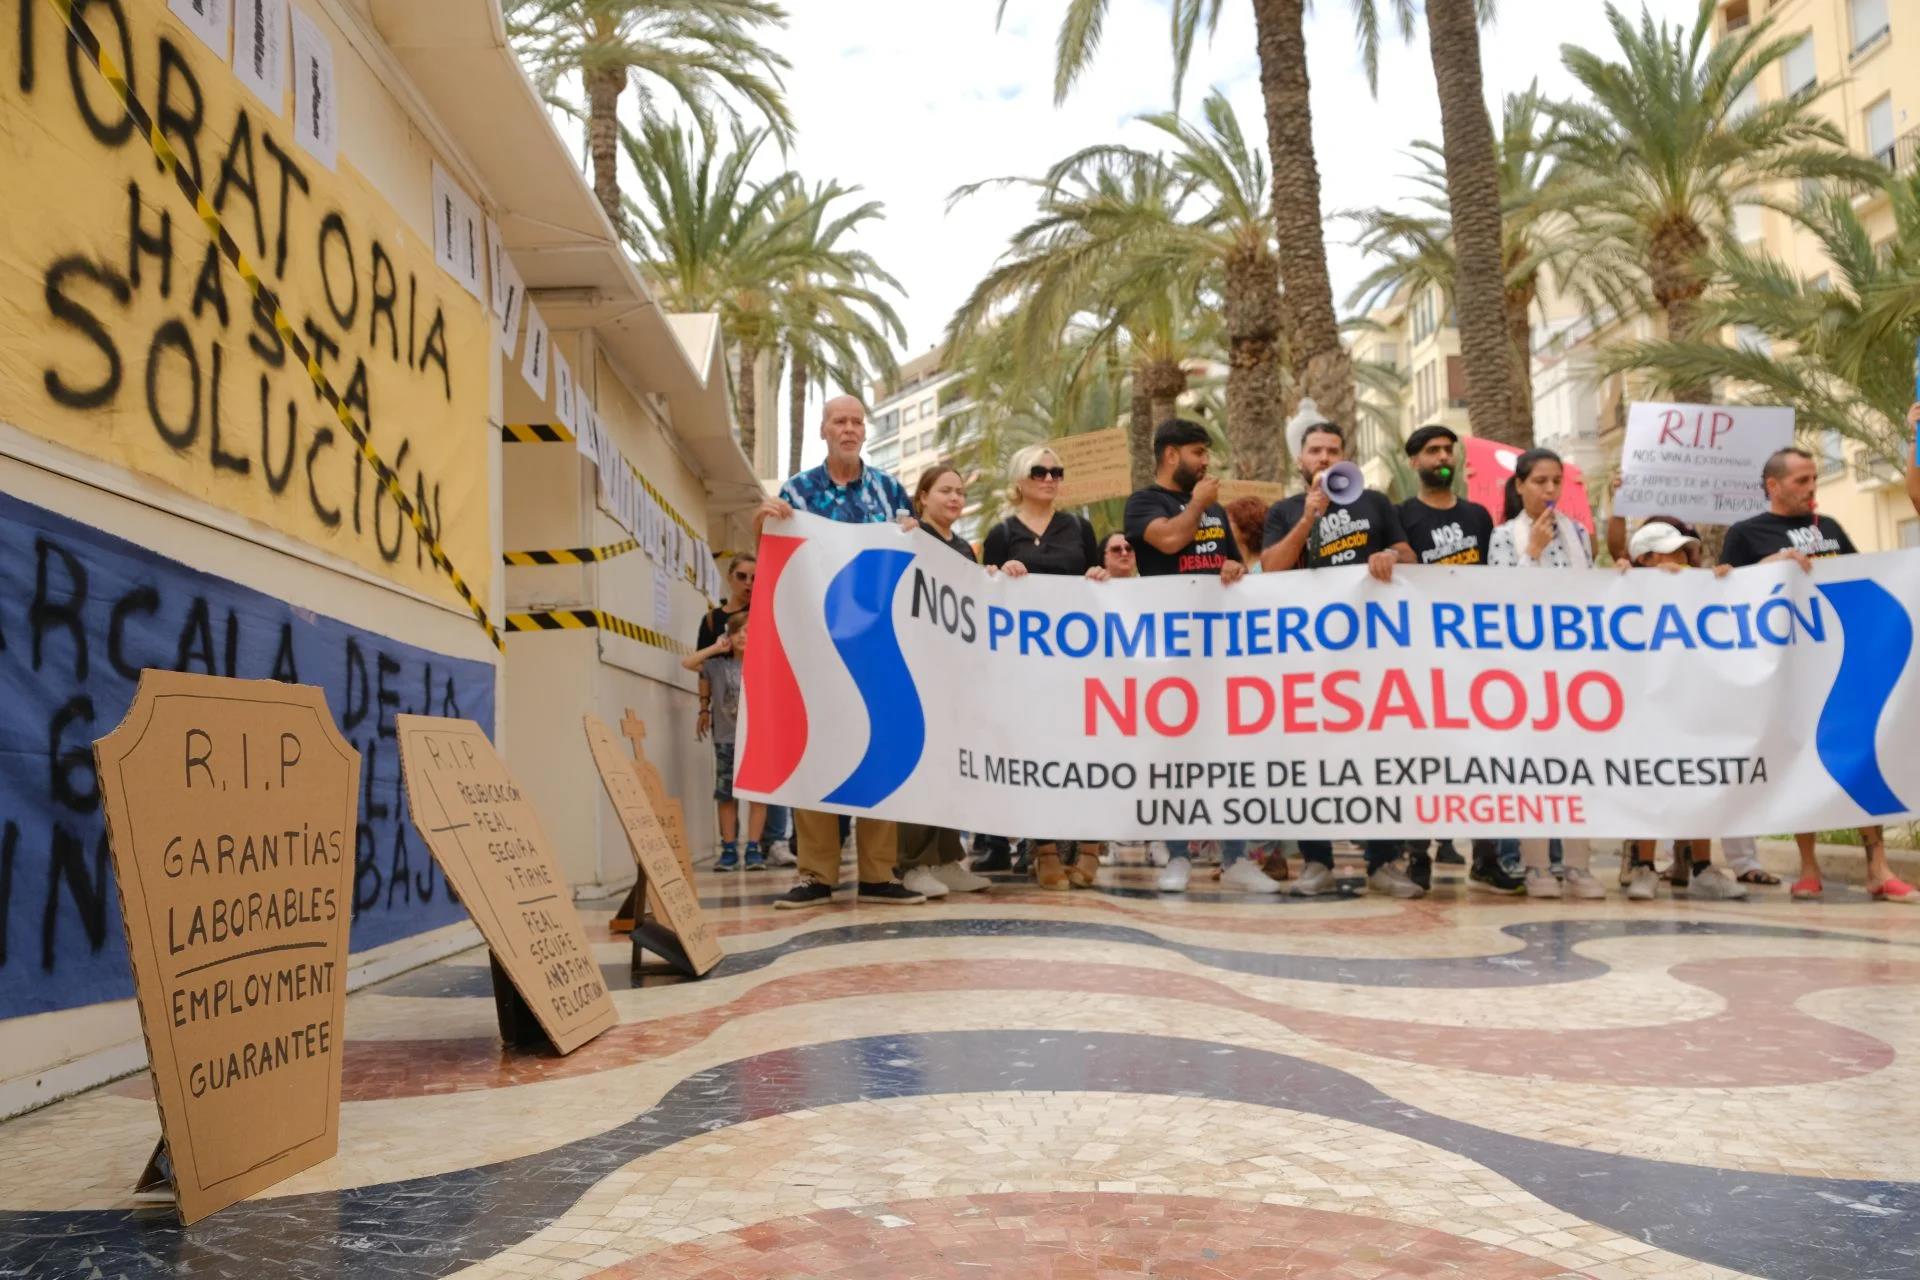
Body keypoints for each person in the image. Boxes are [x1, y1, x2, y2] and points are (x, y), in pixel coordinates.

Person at [1719, 446, 1916, 903]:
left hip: (1845, 665)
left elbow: (1866, 576)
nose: (1812, 489)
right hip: (1791, 672)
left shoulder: (1828, 528)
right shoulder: (1746, 534)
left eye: (1814, 479)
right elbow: (1727, 593)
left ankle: (1879, 868)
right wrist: (1766, 570)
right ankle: (1808, 869)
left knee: (1862, 756)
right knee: (1801, 761)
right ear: (1773, 485)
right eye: (1802, 480)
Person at [757, 394, 927, 909]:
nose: (849, 429)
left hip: (879, 644)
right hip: (816, 648)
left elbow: (914, 559)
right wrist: (764, 520)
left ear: (864, 431)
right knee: (817, 752)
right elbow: (773, 551)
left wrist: (914, 535)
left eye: (856, 421)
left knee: (882, 751)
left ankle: (878, 874)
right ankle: (816, 874)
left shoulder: (890, 490)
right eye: (839, 421)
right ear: (824, 431)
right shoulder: (798, 490)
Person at [1260, 419, 1421, 900]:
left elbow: (1410, 555)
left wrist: (1391, 556)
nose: (1324, 458)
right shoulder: (1285, 510)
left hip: (1371, 652)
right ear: (1300, 460)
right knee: (1310, 756)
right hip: (1309, 657)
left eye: (1333, 450)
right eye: (1315, 451)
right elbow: (1270, 568)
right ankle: (1316, 861)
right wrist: (1309, 517)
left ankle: (1383, 860)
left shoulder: (1375, 504)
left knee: (1377, 752)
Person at [1124, 419, 1278, 895]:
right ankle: (1176, 856)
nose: (1206, 461)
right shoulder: (1145, 502)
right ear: (1171, 455)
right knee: (1177, 756)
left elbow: (1227, 561)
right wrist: (1197, 505)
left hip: (1220, 650)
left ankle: (1236, 858)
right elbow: (1168, 541)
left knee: (1229, 752)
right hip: (1170, 652)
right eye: (1198, 452)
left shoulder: (1211, 512)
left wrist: (1233, 565)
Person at [1395, 424, 1520, 894]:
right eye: (1431, 451)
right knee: (1421, 760)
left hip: (1474, 657)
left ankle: (1485, 857)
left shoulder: (1478, 517)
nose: (1441, 457)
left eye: (1448, 449)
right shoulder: (1401, 514)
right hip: (1420, 657)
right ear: (1414, 462)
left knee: (1479, 757)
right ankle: (1417, 855)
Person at [984, 445, 1111, 890]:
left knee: (1087, 752)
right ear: (1020, 479)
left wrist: (1098, 577)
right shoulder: (1001, 531)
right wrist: (1000, 576)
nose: (1050, 478)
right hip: (1026, 668)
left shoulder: (1079, 527)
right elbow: (984, 594)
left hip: (1078, 663)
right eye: (1039, 471)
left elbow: (1097, 583)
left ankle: (1091, 847)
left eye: (1057, 471)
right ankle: (1044, 850)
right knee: (1037, 754)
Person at [1485, 447, 1606, 900]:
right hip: (1527, 671)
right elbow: (1499, 600)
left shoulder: (1577, 534)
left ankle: (1577, 864)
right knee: (1532, 765)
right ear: (1520, 486)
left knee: (1578, 765)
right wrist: (1531, 553)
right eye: (1539, 481)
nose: (1550, 489)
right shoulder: (1503, 536)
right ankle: (1536, 865)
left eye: (1556, 481)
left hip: (1575, 669)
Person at [1612, 522, 1748, 901]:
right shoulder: (1626, 587)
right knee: (1647, 781)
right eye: (1668, 554)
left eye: (1682, 553)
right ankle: (1644, 867)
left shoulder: (1700, 586)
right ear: (1644, 559)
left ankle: (1703, 868)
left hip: (1692, 696)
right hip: (1644, 700)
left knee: (1698, 778)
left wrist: (1721, 582)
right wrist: (1624, 580)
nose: (1679, 561)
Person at [896, 465, 994, 898]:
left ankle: (947, 857)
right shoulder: (911, 535)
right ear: (923, 496)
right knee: (920, 766)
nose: (954, 498)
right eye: (944, 491)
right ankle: (913, 863)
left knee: (951, 766)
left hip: (956, 673)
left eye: (959, 492)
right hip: (918, 668)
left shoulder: (964, 549)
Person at [693, 553, 795, 867]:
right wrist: (704, 708)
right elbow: (701, 667)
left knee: (767, 781)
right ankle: (731, 847)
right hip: (727, 718)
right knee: (727, 787)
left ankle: (772, 841)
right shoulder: (713, 620)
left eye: (754, 577)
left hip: (764, 716)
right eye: (742, 576)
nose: (749, 583)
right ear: (730, 576)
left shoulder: (767, 610)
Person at [681, 612, 765, 871]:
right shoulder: (717, 666)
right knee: (725, 795)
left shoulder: (763, 664)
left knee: (758, 796)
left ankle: (753, 847)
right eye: (737, 631)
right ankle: (729, 848)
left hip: (756, 740)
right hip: (726, 739)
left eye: (749, 631)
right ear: (728, 636)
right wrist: (716, 647)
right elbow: (688, 662)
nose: (742, 636)